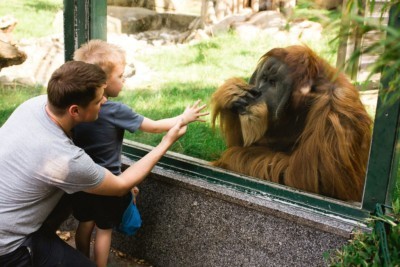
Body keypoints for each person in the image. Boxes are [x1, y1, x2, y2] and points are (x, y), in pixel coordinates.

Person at [0, 60, 193, 266]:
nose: (104, 102)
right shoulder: (66, 160)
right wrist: (166, 142)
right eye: (98, 100)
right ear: (75, 111)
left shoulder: (33, 105)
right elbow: (120, 186)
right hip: (10, 247)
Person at [70, 39, 208, 267]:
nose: (124, 81)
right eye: (120, 76)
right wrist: (183, 118)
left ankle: (80, 261)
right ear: (102, 83)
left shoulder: (76, 109)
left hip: (82, 182)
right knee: (104, 231)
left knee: (84, 225)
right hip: (110, 184)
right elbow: (153, 126)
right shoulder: (115, 110)